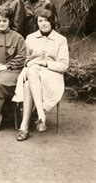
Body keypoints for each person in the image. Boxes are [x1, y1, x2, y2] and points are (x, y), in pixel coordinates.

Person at [13, 9, 69, 141]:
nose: (43, 23)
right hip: (32, 70)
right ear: (36, 23)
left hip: (52, 75)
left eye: (46, 20)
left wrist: (43, 63)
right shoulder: (30, 38)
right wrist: (32, 63)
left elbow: (63, 65)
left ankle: (24, 125)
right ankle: (40, 114)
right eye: (40, 21)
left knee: (28, 86)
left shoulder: (60, 40)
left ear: (52, 22)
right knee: (31, 71)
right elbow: (25, 60)